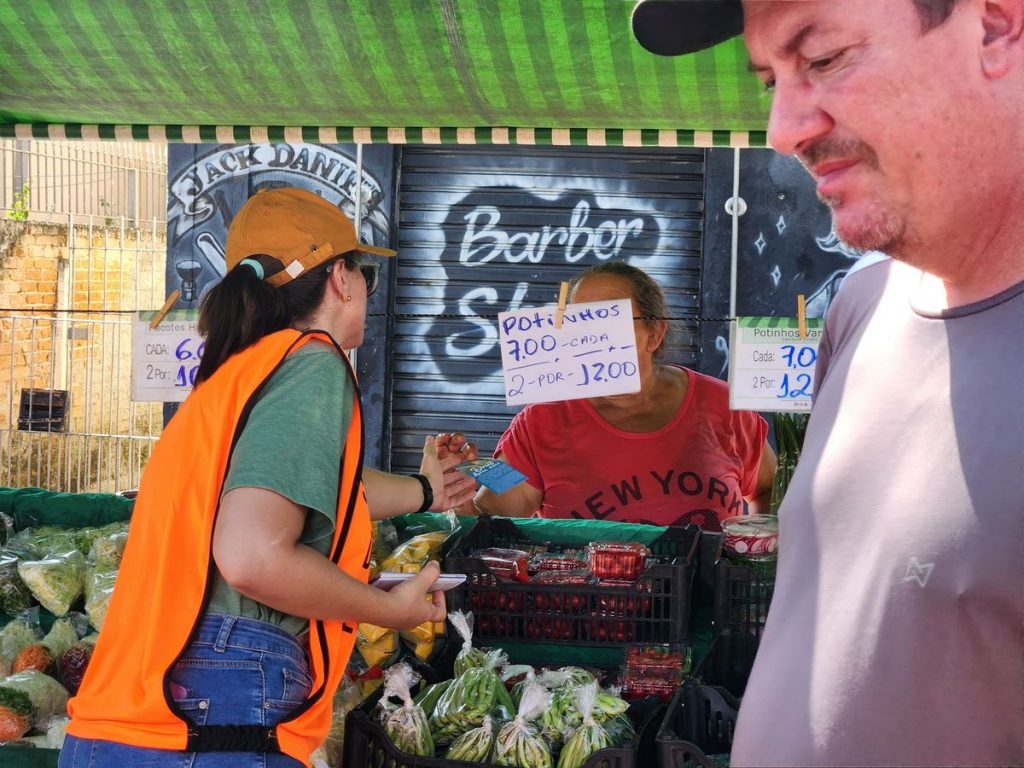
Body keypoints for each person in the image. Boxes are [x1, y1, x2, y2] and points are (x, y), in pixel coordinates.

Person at [633, 1, 1024, 765]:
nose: (782, 131)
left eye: (824, 58)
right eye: (770, 79)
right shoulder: (863, 304)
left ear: (995, 25)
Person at [60, 187, 476, 767]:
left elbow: (313, 487)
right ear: (339, 278)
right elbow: (253, 556)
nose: (364, 289)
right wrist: (391, 610)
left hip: (129, 718)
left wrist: (425, 487)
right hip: (216, 699)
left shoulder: (235, 375)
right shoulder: (312, 362)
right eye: (365, 276)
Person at [449, 260, 777, 529]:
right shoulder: (539, 422)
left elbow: (769, 487)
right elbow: (490, 516)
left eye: (608, 320)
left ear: (655, 334)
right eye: (578, 322)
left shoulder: (723, 406)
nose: (591, 336)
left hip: (707, 605)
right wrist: (459, 487)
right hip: (582, 607)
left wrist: (762, 556)